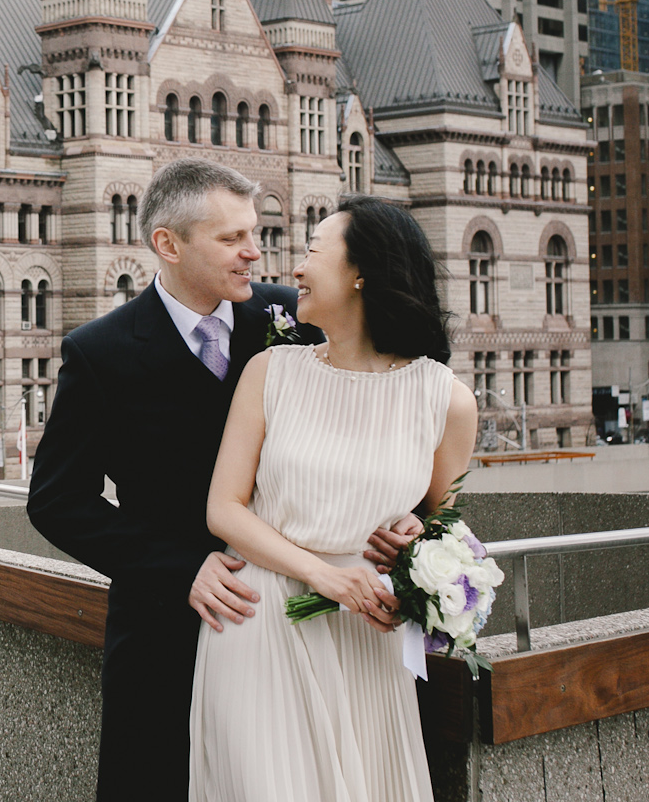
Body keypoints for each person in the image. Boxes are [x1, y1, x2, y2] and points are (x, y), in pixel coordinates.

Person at [27, 159, 300, 802]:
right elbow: (56, 500)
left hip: (286, 615)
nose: (253, 253)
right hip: (162, 629)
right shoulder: (100, 352)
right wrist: (181, 567)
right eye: (231, 239)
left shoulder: (290, 318)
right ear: (168, 244)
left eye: (254, 234)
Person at [188, 196, 476, 802]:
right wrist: (325, 577)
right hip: (258, 620)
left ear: (361, 272)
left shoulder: (445, 398)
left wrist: (416, 540)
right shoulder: (271, 371)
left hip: (366, 639)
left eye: (313, 251)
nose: (295, 268)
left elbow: (440, 517)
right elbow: (225, 509)